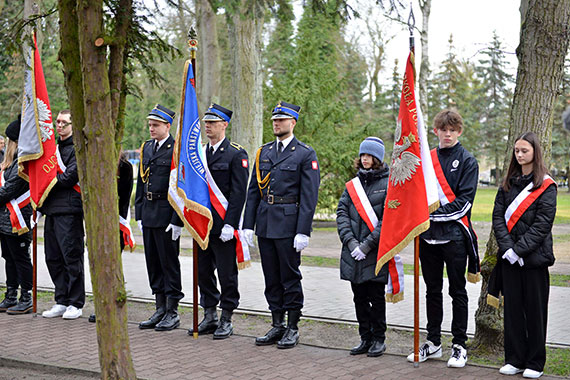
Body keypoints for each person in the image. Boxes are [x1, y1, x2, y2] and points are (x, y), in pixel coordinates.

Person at [243, 101, 320, 349]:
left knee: (290, 277)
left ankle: (293, 327)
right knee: (271, 277)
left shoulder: (304, 154)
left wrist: (302, 230)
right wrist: (247, 224)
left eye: (282, 119)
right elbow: (253, 191)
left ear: (292, 123)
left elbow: (309, 196)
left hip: (288, 225)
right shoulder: (263, 152)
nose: (276, 123)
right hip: (265, 223)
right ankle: (277, 324)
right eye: (274, 119)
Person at [407, 109, 479, 367]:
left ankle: (459, 345)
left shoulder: (468, 161)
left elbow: (463, 204)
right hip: (427, 240)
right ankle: (433, 342)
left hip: (454, 239)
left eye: (452, 130)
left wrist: (427, 216)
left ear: (459, 131)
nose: (447, 134)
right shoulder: (425, 160)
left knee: (457, 291)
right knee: (432, 292)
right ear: (435, 131)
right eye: (443, 130)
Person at [491, 132, 556, 379]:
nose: (519, 155)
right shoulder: (507, 182)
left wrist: (519, 250)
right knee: (513, 311)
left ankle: (535, 362)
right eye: (517, 151)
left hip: (534, 260)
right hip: (509, 259)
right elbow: (498, 218)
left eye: (524, 151)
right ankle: (515, 359)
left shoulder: (546, 185)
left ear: (535, 152)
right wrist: (508, 250)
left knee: (535, 312)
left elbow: (542, 224)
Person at [188, 104, 249, 339]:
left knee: (226, 274)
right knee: (202, 272)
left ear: (224, 124)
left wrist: (230, 224)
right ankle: (210, 314)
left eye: (212, 123)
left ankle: (227, 317)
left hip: (223, 226)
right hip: (203, 226)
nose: (208, 126)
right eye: (206, 123)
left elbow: (238, 193)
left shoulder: (236, 153)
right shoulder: (200, 153)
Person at [336, 137, 390, 357]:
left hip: (374, 252)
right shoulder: (353, 185)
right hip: (352, 252)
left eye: (369, 156)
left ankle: (379, 339)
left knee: (376, 298)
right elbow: (341, 214)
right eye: (363, 155)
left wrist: (366, 246)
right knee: (358, 298)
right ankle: (365, 338)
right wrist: (350, 243)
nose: (365, 159)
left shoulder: (387, 185)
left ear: (377, 158)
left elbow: (388, 220)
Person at [135, 104, 184, 331]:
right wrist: (139, 212)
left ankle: (172, 311)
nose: (151, 128)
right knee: (153, 262)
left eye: (155, 125)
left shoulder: (177, 149)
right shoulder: (147, 148)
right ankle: (160, 307)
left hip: (166, 213)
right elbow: (141, 182)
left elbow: (181, 189)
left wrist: (177, 220)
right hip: (149, 212)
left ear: (168, 125)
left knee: (168, 263)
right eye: (150, 125)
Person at [40, 110, 85, 320]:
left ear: (72, 126)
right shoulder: (52, 149)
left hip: (70, 210)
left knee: (71, 257)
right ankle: (62, 299)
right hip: (51, 210)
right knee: (53, 257)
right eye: (57, 122)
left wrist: (49, 180)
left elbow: (68, 178)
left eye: (63, 123)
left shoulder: (78, 148)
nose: (59, 126)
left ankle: (76, 303)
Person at [88, 150, 134, 323]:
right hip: (96, 221)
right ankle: (101, 304)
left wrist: (115, 223)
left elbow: (124, 199)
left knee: (112, 265)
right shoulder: (95, 163)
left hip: (115, 221)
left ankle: (114, 305)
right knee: (98, 265)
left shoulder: (125, 167)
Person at [0, 117, 33, 315]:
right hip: (4, 218)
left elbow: (9, 190)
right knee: (9, 257)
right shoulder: (9, 163)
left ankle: (26, 296)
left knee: (20, 257)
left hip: (18, 217)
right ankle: (11, 294)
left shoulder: (22, 163)